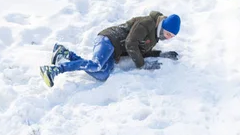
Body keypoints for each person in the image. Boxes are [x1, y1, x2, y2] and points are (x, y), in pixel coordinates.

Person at [40, 11, 181, 88]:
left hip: (114, 51)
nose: (168, 38)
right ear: (163, 26)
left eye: (171, 37)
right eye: (168, 34)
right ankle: (55, 70)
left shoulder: (155, 36)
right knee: (96, 65)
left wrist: (162, 54)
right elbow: (131, 44)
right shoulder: (147, 23)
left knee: (102, 75)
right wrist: (142, 65)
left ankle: (64, 53)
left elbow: (142, 51)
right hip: (108, 39)